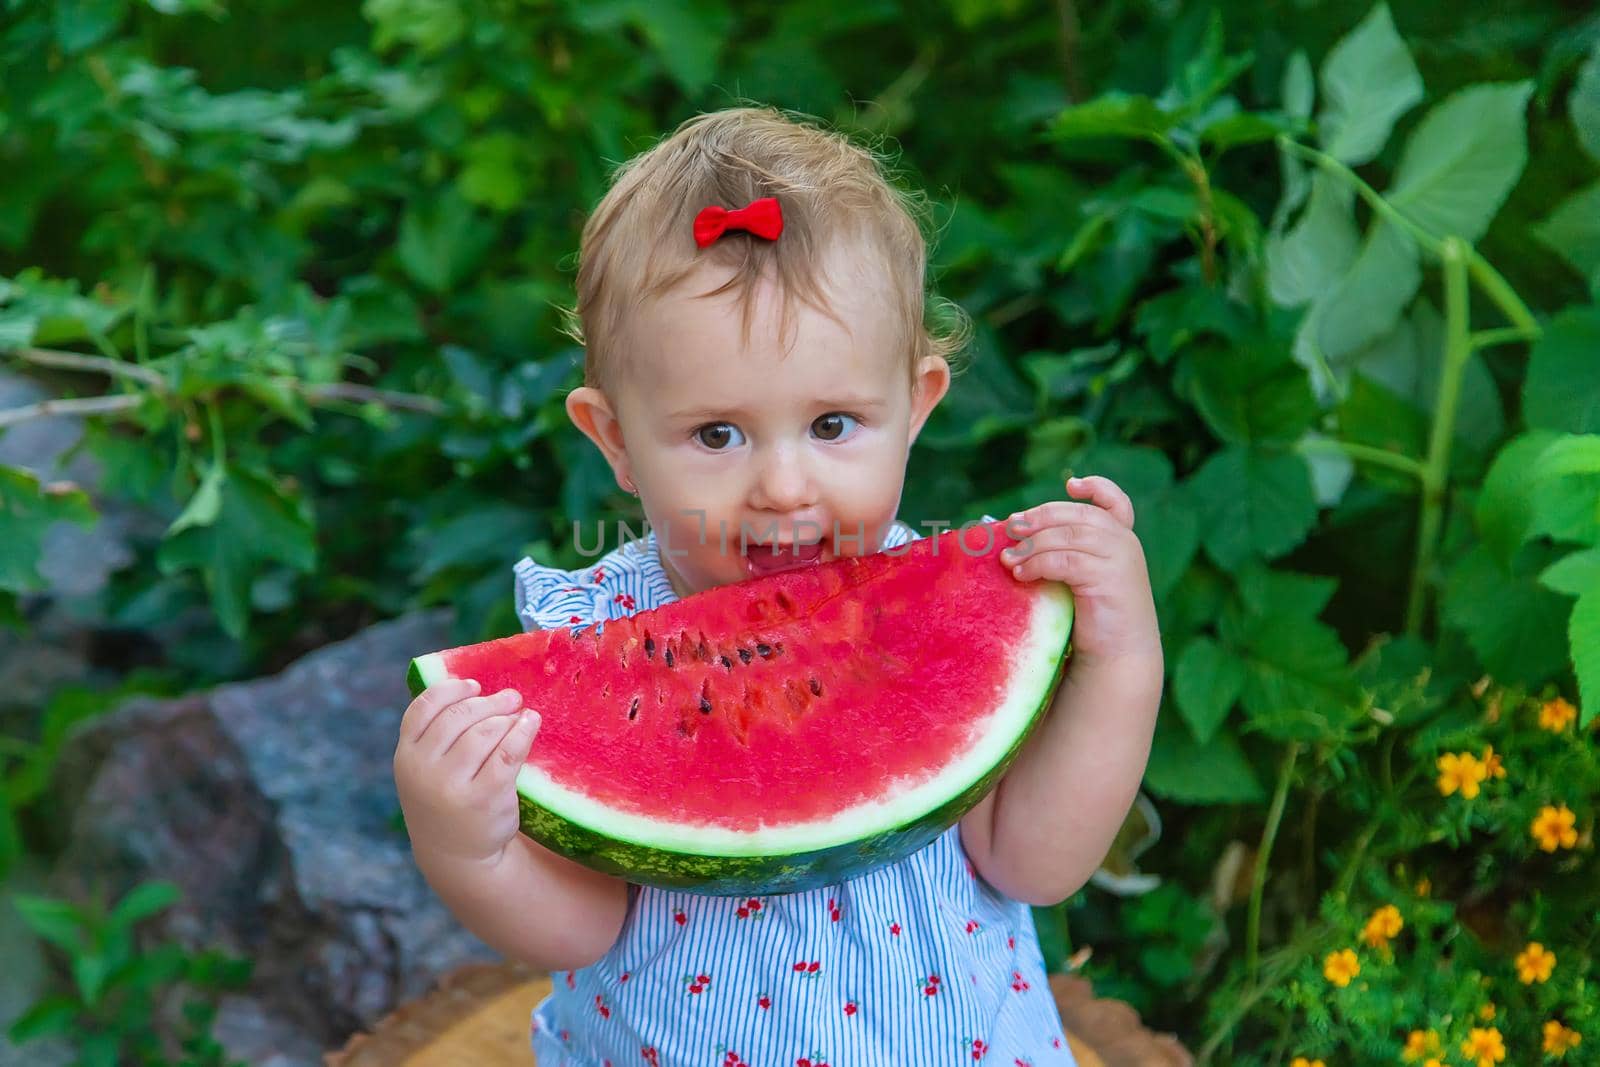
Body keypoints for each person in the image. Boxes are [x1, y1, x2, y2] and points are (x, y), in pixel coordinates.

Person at [392, 105, 1164, 1066]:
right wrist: (469, 848)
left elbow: (1035, 862)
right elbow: (578, 928)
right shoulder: (595, 631)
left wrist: (1121, 654)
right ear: (616, 440)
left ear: (914, 407)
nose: (785, 487)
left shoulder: (952, 608)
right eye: (717, 435)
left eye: (834, 424)